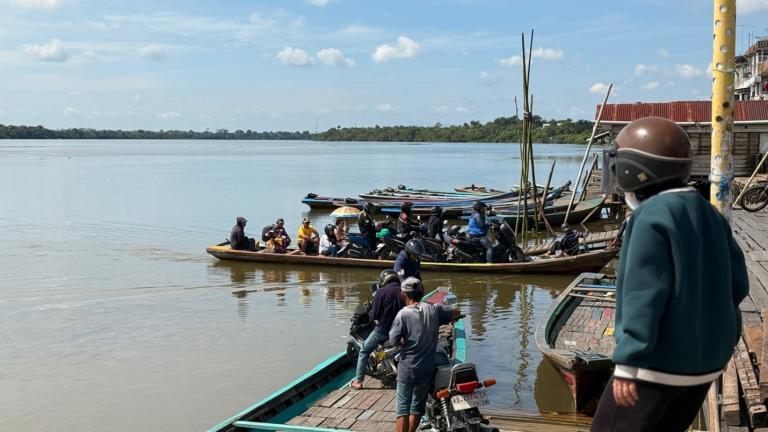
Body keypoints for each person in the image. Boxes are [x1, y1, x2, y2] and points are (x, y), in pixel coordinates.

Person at [591, 117, 748, 431]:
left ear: (631, 168)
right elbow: (738, 284)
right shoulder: (709, 212)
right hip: (707, 364)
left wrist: (628, 361)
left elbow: (642, 293)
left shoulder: (650, 217)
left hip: (656, 368)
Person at [389, 277, 461, 432]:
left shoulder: (402, 315)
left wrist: (403, 342)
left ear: (403, 295)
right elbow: (455, 312)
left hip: (407, 369)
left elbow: (394, 340)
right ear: (422, 292)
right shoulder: (434, 309)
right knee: (416, 408)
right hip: (426, 369)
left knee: (402, 409)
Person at [350, 270, 404, 390]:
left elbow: (374, 314)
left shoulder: (381, 292)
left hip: (383, 330)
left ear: (383, 280)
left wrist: (375, 317)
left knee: (364, 351)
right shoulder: (404, 291)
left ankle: (358, 381)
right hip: (401, 330)